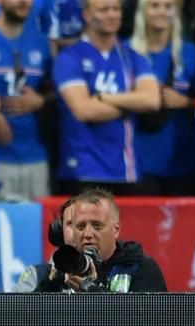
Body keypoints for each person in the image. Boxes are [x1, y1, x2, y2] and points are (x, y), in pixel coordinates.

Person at [52, 0, 160, 195]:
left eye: (116, 9)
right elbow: (84, 111)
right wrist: (133, 102)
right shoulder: (69, 58)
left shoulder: (133, 58)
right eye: (103, 10)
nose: (111, 15)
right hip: (82, 171)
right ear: (86, 15)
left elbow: (152, 100)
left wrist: (105, 98)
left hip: (126, 171)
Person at [0, 0, 53, 201]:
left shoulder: (42, 43)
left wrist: (42, 102)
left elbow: (56, 93)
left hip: (36, 155)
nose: (23, 2)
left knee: (41, 229)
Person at [32, 188, 167, 292]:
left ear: (116, 229)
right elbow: (25, 323)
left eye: (97, 225)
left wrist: (92, 291)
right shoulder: (62, 271)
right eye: (80, 226)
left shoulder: (140, 268)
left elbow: (150, 325)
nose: (87, 233)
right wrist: (50, 285)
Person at [129, 0, 195, 195]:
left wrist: (185, 102)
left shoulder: (190, 53)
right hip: (137, 162)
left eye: (168, 6)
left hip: (182, 161)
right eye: (155, 5)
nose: (161, 11)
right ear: (143, 11)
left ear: (176, 12)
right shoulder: (127, 51)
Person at [12, 194, 77, 291]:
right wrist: (49, 285)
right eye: (71, 223)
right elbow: (17, 306)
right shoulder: (36, 276)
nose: (80, 232)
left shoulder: (106, 277)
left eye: (94, 225)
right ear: (59, 231)